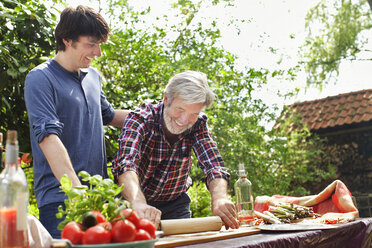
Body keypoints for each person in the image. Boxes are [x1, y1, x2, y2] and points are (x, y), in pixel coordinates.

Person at [24, 5, 129, 238]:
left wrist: (158, 116)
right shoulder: (40, 78)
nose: (98, 52)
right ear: (67, 40)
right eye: (91, 44)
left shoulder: (93, 77)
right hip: (61, 201)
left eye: (100, 44)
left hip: (100, 197)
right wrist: (77, 192)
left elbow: (108, 115)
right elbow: (48, 139)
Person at [111, 70, 239, 229]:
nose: (184, 120)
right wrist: (137, 203)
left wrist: (220, 198)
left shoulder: (198, 125)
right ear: (166, 99)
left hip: (175, 206)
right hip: (133, 200)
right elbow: (126, 163)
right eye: (180, 109)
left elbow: (214, 166)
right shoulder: (140, 119)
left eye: (193, 113)